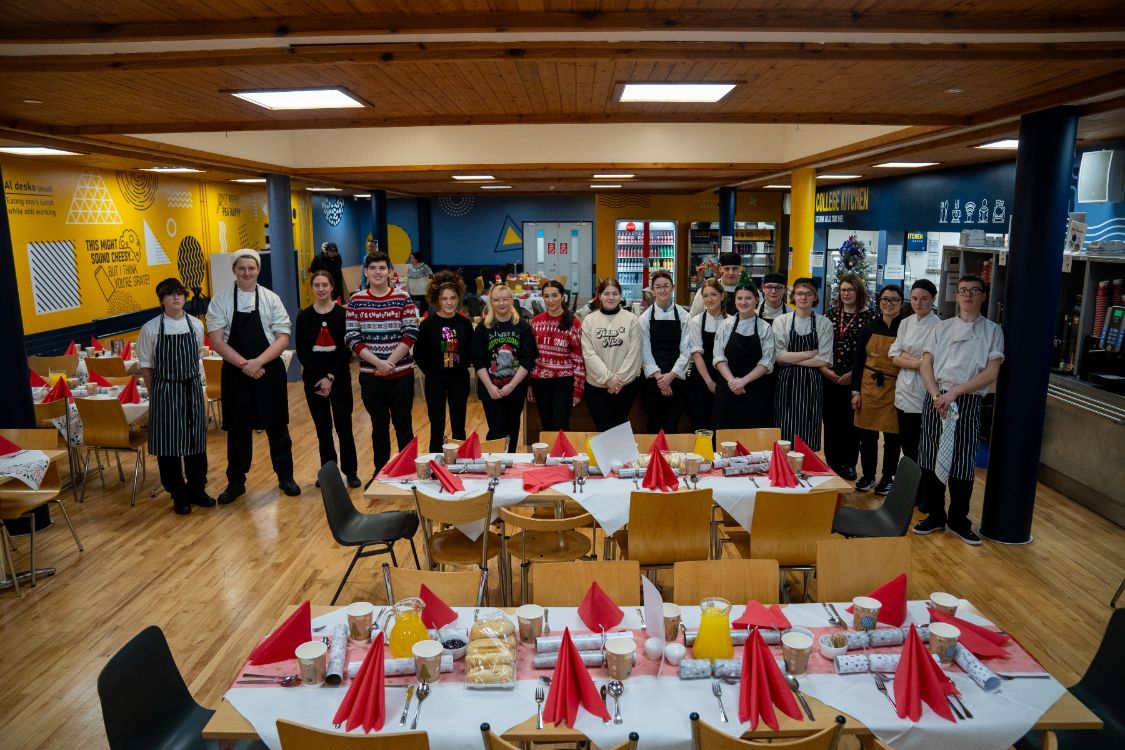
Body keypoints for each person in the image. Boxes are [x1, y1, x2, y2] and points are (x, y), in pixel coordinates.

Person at [914, 274, 1004, 545]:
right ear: (957, 295)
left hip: (967, 400)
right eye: (963, 290)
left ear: (983, 296)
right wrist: (935, 395)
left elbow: (991, 372)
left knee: (963, 462)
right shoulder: (941, 328)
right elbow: (925, 364)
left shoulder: (992, 330)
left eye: (974, 291)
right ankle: (935, 515)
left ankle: (958, 519)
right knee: (930, 457)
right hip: (936, 398)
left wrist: (955, 392)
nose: (968, 295)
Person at [206, 249, 299, 503]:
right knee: (238, 430)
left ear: (258, 270)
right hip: (236, 373)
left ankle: (285, 477)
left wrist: (258, 362)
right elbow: (216, 340)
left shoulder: (271, 299)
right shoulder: (221, 300)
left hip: (269, 369)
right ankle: (236, 483)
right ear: (234, 270)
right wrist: (243, 364)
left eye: (252, 268)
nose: (247, 272)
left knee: (277, 426)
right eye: (242, 268)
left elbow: (283, 337)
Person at [138, 277, 212, 515]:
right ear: (162, 300)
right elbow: (147, 368)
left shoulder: (196, 325)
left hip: (191, 387)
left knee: (196, 443)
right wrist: (156, 396)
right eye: (170, 294)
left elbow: (197, 359)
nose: (177, 297)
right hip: (165, 390)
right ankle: (178, 494)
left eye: (180, 293)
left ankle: (197, 489)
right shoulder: (150, 328)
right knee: (169, 447)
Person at [346, 251, 419, 481]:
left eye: (382, 268)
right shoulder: (356, 301)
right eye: (373, 268)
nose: (378, 272)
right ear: (366, 272)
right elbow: (352, 338)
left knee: (403, 426)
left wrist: (390, 363)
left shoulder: (403, 298)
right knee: (378, 428)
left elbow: (411, 333)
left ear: (389, 272)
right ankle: (381, 473)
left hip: (401, 375)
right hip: (371, 376)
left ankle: (408, 472)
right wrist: (379, 363)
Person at [295, 270, 359, 488]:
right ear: (312, 288)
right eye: (317, 285)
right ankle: (329, 474)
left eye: (325, 284)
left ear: (332, 287)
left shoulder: (343, 314)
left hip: (339, 378)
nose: (321, 289)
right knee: (323, 430)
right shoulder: (304, 316)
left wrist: (330, 377)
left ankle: (350, 472)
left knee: (344, 427)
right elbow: (303, 351)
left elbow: (345, 349)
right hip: (314, 381)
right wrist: (320, 378)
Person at [851, 284, 907, 495]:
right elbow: (858, 362)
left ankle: (887, 477)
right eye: (885, 299)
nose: (889, 303)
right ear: (879, 301)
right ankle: (867, 476)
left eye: (894, 300)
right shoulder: (869, 327)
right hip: (868, 386)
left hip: (895, 387)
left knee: (893, 438)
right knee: (867, 437)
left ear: (901, 304)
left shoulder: (905, 327)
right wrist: (855, 392)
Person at [471, 283, 537, 452]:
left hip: (514, 389)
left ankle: (510, 467)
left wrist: (511, 386)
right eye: (497, 300)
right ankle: (494, 465)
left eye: (505, 299)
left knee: (512, 431)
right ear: (490, 302)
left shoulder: (522, 327)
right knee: (496, 431)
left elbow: (528, 360)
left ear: (512, 300)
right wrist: (490, 386)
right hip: (490, 390)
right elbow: (478, 360)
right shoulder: (483, 327)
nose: (501, 303)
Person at [821, 274, 876, 479]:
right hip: (829, 376)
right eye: (843, 290)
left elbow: (871, 352)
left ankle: (849, 464)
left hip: (855, 379)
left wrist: (853, 375)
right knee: (831, 423)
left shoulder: (870, 317)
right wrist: (825, 370)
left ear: (858, 292)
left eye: (850, 290)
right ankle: (832, 463)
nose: (846, 294)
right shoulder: (830, 314)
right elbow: (821, 345)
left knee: (852, 425)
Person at [415, 271, 474, 452]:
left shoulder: (464, 324)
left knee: (459, 426)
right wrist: (433, 371)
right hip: (435, 380)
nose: (449, 302)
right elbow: (419, 353)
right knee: (437, 426)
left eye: (453, 298)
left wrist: (461, 365)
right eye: (444, 298)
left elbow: (471, 351)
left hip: (459, 379)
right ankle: (436, 465)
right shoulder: (427, 325)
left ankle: (460, 462)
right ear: (437, 300)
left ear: (458, 299)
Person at [773, 278, 834, 449]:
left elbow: (824, 360)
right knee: (784, 425)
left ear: (815, 297)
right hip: (786, 382)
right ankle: (783, 467)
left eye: (808, 294)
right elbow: (777, 356)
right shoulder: (782, 321)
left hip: (812, 383)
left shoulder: (824, 323)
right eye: (799, 293)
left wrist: (791, 358)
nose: (803, 298)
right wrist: (810, 353)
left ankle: (807, 468)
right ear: (793, 296)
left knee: (809, 425)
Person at [890, 279, 941, 465]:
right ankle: (910, 485)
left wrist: (907, 358)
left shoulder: (939, 326)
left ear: (933, 299)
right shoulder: (905, 322)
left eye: (924, 299)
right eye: (914, 298)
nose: (918, 303)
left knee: (921, 445)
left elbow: (933, 362)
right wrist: (920, 362)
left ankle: (921, 488)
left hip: (924, 390)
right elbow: (894, 355)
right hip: (903, 388)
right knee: (906, 442)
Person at [581, 278, 643, 432]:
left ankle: (620, 457)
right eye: (606, 293)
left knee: (619, 430)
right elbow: (589, 354)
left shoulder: (631, 320)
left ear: (620, 296)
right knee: (604, 432)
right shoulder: (589, 320)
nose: (611, 297)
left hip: (625, 387)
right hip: (596, 388)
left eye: (615, 293)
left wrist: (618, 380)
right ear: (599, 296)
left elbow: (634, 353)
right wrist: (609, 379)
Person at [713, 282, 775, 429]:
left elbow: (767, 361)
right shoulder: (726, 324)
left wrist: (744, 381)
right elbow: (718, 357)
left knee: (753, 437)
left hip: (755, 389)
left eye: (748, 298)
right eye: (739, 298)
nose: (743, 302)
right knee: (724, 434)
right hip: (728, 388)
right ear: (735, 301)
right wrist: (733, 382)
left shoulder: (764, 327)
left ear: (756, 301)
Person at [639, 270, 692, 433]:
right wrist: (659, 378)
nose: (662, 290)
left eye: (666, 286)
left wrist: (671, 376)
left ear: (673, 287)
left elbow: (687, 349)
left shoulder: (684, 316)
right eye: (658, 287)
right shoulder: (645, 317)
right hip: (652, 380)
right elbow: (644, 349)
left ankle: (672, 459)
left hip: (676, 378)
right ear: (652, 290)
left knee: (672, 425)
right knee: (654, 424)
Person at [528, 280, 585, 432]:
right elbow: (530, 355)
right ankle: (548, 457)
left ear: (562, 297)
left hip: (563, 382)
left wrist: (578, 389)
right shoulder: (536, 322)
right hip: (539, 382)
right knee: (546, 427)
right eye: (546, 296)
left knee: (560, 427)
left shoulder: (573, 323)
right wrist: (529, 384)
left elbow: (579, 359)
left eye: (554, 295)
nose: (550, 300)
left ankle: (561, 456)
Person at [687, 278, 730, 431]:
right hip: (701, 379)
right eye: (705, 296)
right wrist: (709, 382)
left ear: (722, 296)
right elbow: (697, 355)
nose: (709, 299)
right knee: (701, 424)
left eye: (713, 294)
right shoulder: (696, 322)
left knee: (722, 425)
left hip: (725, 379)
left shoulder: (731, 321)